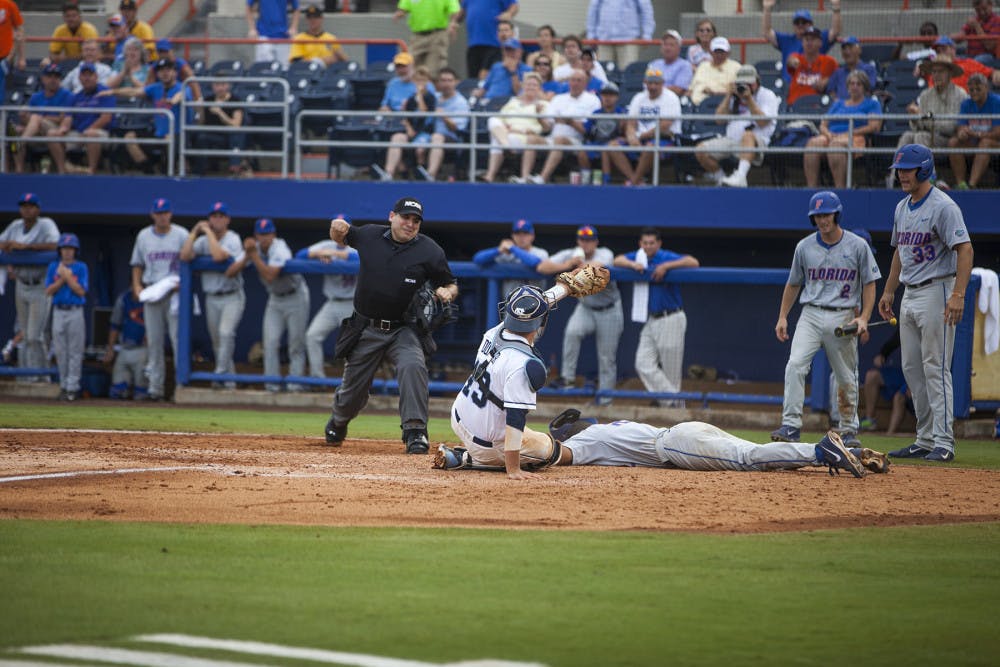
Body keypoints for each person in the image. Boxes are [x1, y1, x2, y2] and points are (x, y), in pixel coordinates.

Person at [323, 197, 458, 454]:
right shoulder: (369, 236)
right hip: (366, 327)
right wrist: (337, 226)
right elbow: (340, 235)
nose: (410, 224)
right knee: (352, 393)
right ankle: (339, 421)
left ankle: (416, 432)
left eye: (416, 220)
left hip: (403, 328)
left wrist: (447, 292)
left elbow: (450, 282)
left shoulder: (430, 251)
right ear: (391, 216)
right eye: (405, 217)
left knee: (413, 365)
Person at [436, 408, 888, 479]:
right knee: (747, 450)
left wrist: (468, 460)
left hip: (675, 445)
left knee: (748, 459)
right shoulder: (604, 430)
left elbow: (544, 456)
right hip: (687, 430)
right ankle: (854, 453)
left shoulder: (590, 442)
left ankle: (818, 451)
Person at [879, 145, 974, 462]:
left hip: (938, 289)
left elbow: (965, 249)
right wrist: (889, 291)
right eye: (900, 169)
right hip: (910, 290)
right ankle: (925, 437)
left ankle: (944, 441)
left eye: (908, 169)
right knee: (911, 368)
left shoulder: (943, 206)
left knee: (936, 367)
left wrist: (958, 294)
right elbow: (898, 252)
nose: (902, 174)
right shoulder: (902, 207)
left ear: (924, 170)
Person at [771, 191, 881, 446]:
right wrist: (782, 317)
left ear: (836, 214)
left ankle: (849, 429)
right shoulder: (805, 246)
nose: (823, 220)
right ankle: (791, 425)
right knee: (795, 364)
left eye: (827, 214)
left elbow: (870, 283)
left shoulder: (857, 245)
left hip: (842, 314)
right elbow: (793, 284)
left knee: (845, 375)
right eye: (818, 215)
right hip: (810, 312)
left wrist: (864, 317)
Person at [614, 227, 699, 407]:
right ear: (640, 243)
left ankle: (671, 406)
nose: (648, 246)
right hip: (651, 319)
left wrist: (666, 266)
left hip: (671, 317)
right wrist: (632, 265)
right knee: (642, 363)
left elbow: (693, 262)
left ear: (658, 244)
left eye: (652, 243)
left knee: (671, 371)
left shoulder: (665, 256)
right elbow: (617, 259)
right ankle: (673, 401)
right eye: (645, 243)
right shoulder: (639, 256)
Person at [538, 225, 622, 404]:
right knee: (572, 333)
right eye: (583, 239)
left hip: (609, 309)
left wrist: (579, 265)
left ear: (596, 242)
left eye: (590, 240)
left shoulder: (604, 252)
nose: (586, 243)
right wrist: (567, 264)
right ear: (578, 241)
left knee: (606, 357)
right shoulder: (571, 254)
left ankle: (605, 400)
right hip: (586, 307)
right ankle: (567, 379)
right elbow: (542, 267)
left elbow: (598, 266)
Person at [179, 202, 249, 389]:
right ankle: (230, 382)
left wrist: (208, 232)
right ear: (209, 218)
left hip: (232, 295)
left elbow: (218, 256)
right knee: (218, 342)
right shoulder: (202, 242)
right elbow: (184, 256)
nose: (217, 219)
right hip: (211, 297)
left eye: (220, 216)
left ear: (227, 220)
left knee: (226, 334)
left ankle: (218, 376)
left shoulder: (232, 238)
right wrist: (194, 232)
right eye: (214, 216)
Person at [130, 197, 188, 401]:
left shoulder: (181, 234)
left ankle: (181, 386)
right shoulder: (144, 236)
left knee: (177, 341)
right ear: (153, 214)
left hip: (174, 294)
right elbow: (136, 263)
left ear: (170, 214)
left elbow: (189, 260)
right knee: (154, 342)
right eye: (158, 212)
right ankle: (155, 389)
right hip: (153, 291)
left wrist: (185, 282)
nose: (162, 216)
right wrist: (137, 285)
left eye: (165, 212)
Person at [243, 218, 309, 393]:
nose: (264, 238)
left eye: (268, 234)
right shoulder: (255, 248)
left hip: (295, 295)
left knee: (296, 343)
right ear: (256, 235)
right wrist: (246, 253)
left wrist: (253, 255)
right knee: (270, 342)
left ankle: (295, 385)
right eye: (261, 234)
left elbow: (270, 275)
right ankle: (271, 385)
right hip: (275, 298)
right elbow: (234, 268)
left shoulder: (280, 247)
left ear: (273, 235)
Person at [0, 193, 60, 379]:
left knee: (34, 335)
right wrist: (9, 244)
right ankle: (28, 376)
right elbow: (2, 242)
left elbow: (55, 245)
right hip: (21, 283)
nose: (27, 209)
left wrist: (26, 248)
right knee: (26, 335)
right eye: (24, 205)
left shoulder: (46, 224)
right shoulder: (15, 226)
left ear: (38, 209)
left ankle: (40, 375)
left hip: (40, 285)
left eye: (31, 205)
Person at [695, 63, 780, 188]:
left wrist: (749, 99)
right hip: (732, 140)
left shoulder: (767, 95)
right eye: (742, 83)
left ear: (757, 82)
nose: (746, 86)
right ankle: (722, 180)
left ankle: (740, 177)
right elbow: (719, 119)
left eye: (749, 83)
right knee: (700, 150)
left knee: (748, 135)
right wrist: (728, 95)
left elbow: (763, 122)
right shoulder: (735, 96)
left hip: (757, 142)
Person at [298, 216, 357, 380]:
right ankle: (318, 379)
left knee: (351, 346)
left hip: (351, 304)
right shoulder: (326, 244)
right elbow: (300, 255)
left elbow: (359, 259)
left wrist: (335, 254)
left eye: (342, 228)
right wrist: (320, 253)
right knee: (312, 336)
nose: (338, 232)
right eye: (335, 228)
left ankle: (350, 383)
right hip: (331, 303)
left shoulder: (356, 246)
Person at [803, 70, 882, 189]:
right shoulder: (838, 103)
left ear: (864, 87)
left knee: (836, 145)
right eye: (852, 83)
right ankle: (811, 189)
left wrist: (848, 133)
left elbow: (874, 126)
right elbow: (823, 124)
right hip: (831, 135)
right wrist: (828, 134)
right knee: (813, 143)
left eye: (858, 84)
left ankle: (840, 189)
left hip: (855, 136)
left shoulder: (872, 104)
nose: (854, 87)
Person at [113, 57, 193, 172]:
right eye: (161, 71)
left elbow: (181, 95)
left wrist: (173, 100)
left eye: (168, 70)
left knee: (171, 142)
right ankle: (149, 171)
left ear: (175, 72)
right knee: (129, 137)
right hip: (158, 134)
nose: (164, 73)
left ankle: (167, 173)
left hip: (179, 135)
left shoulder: (183, 87)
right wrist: (111, 92)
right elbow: (134, 91)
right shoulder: (155, 87)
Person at [530, 68, 599, 184]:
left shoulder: (592, 100)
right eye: (572, 80)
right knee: (531, 139)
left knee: (560, 140)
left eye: (579, 80)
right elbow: (547, 127)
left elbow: (588, 131)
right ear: (568, 82)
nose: (575, 83)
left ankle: (542, 178)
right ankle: (524, 176)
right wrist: (539, 117)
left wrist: (570, 122)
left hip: (577, 141)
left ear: (585, 83)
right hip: (553, 137)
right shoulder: (558, 99)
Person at [480, 72, 551, 183]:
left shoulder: (544, 104)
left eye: (534, 85)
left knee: (496, 140)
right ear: (523, 86)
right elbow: (500, 119)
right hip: (506, 133)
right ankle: (506, 147)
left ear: (539, 88)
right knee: (492, 120)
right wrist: (507, 129)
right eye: (528, 84)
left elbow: (546, 128)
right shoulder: (513, 101)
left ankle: (490, 175)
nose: (530, 87)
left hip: (524, 137)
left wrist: (539, 116)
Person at [616, 67, 682, 185]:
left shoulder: (671, 98)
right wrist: (631, 136)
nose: (653, 87)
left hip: (664, 138)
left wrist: (640, 136)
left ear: (662, 83)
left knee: (650, 146)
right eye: (650, 83)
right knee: (612, 146)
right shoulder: (639, 97)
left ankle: (633, 182)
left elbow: (665, 125)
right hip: (640, 137)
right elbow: (631, 122)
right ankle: (636, 180)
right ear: (645, 83)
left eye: (656, 83)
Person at [45, 233, 88, 401]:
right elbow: (48, 291)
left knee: (75, 351)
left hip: (75, 310)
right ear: (60, 250)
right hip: (58, 310)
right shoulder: (53, 266)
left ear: (75, 250)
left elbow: (81, 291)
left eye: (71, 248)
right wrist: (62, 278)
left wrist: (67, 276)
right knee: (61, 351)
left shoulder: (81, 267)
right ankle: (63, 386)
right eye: (64, 248)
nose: (67, 252)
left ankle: (73, 387)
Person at [895, 56, 968, 156]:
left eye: (941, 71)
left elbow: (951, 127)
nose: (936, 75)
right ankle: (896, 171)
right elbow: (916, 128)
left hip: (949, 139)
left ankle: (925, 172)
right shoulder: (925, 95)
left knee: (921, 137)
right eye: (934, 72)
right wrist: (914, 118)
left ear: (950, 74)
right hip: (928, 136)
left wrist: (923, 117)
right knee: (907, 136)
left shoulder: (960, 94)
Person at [14, 63, 74, 175]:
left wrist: (41, 117)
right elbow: (29, 121)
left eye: (56, 77)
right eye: (49, 76)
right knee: (15, 131)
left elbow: (64, 118)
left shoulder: (67, 95)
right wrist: (24, 116)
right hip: (36, 132)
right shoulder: (35, 97)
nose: (53, 80)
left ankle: (61, 171)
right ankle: (19, 170)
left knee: (36, 118)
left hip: (56, 129)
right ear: (43, 78)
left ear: (60, 79)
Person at [381, 65, 437, 180]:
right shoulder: (411, 99)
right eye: (417, 80)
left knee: (420, 150)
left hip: (425, 132)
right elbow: (406, 116)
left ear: (428, 81)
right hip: (412, 131)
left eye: (423, 80)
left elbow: (424, 111)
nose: (420, 83)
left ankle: (423, 175)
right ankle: (389, 173)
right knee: (396, 138)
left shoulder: (430, 97)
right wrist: (409, 128)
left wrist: (420, 95)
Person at [761, 0, 841, 81]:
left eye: (804, 22)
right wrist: (767, 8)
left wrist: (836, 7)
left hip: (812, 86)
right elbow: (767, 32)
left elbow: (835, 31)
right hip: (788, 86)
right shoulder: (786, 40)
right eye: (797, 22)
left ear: (811, 24)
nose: (800, 25)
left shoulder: (818, 38)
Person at [947, 73, 1000, 190]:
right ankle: (961, 184)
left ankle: (972, 184)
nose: (974, 92)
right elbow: (961, 126)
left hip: (994, 143)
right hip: (974, 141)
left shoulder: (996, 102)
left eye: (978, 89)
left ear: (986, 88)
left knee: (985, 142)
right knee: (953, 143)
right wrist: (962, 133)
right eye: (971, 90)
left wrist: (976, 134)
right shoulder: (966, 103)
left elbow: (998, 133)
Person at [63, 63, 115, 175]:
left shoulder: (104, 92)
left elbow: (106, 118)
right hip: (78, 132)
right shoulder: (75, 96)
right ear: (79, 78)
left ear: (96, 76)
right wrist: (62, 129)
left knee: (92, 134)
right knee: (54, 136)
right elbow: (68, 117)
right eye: (84, 75)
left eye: (90, 75)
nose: (87, 78)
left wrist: (87, 132)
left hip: (101, 133)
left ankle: (92, 171)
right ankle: (61, 169)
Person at [473, 219, 549, 296]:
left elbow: (535, 262)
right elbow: (478, 259)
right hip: (510, 303)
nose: (521, 237)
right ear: (512, 235)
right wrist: (498, 250)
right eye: (517, 233)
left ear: (532, 236)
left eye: (525, 233)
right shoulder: (505, 253)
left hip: (536, 302)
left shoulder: (540, 253)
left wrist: (513, 248)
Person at [191, 79, 249, 177]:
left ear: (228, 86)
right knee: (200, 137)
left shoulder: (235, 100)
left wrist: (220, 113)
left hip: (229, 138)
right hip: (212, 136)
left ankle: (234, 168)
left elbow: (236, 125)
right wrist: (200, 110)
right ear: (213, 86)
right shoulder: (208, 100)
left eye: (223, 84)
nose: (220, 88)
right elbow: (201, 123)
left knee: (235, 134)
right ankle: (198, 172)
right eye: (217, 85)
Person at [859, 330, 910, 435]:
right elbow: (898, 335)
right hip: (902, 371)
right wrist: (884, 353)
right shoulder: (906, 318)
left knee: (899, 397)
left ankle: (889, 435)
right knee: (872, 376)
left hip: (920, 374)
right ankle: (870, 420)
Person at [424, 67, 469, 180]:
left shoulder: (461, 102)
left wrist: (444, 117)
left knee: (437, 137)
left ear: (456, 82)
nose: (446, 84)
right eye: (443, 80)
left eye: (449, 80)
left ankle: (430, 174)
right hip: (430, 135)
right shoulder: (435, 98)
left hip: (452, 139)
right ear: (438, 83)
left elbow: (457, 129)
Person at [393, 0, 459, 76]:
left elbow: (454, 11)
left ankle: (431, 86)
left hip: (437, 35)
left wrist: (453, 23)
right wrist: (400, 13)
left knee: (434, 69)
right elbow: (403, 8)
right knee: (410, 66)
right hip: (417, 36)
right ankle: (415, 87)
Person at [455, 0, 518, 80]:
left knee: (488, 77)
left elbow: (514, 5)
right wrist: (454, 23)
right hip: (473, 44)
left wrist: (509, 13)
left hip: (493, 44)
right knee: (472, 79)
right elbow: (462, 11)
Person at [104, 288, 148, 400]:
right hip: (124, 349)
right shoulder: (124, 299)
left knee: (141, 395)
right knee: (117, 392)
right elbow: (115, 325)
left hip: (143, 350)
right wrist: (110, 349)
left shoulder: (150, 297)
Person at [580, 80, 627, 181]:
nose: (607, 98)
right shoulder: (596, 113)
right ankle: (585, 179)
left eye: (611, 95)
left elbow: (627, 132)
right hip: (598, 142)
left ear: (617, 97)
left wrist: (623, 126)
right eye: (604, 94)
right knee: (582, 150)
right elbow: (586, 130)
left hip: (614, 143)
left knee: (606, 149)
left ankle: (606, 180)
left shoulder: (622, 112)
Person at [585, 0, 655, 68]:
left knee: (627, 73)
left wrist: (647, 35)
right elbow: (593, 10)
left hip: (628, 41)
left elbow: (646, 10)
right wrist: (591, 35)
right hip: (605, 40)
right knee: (604, 72)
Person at [918, 36, 1000, 91]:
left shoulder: (968, 64)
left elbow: (991, 73)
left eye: (944, 49)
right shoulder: (935, 69)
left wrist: (995, 74)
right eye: (938, 51)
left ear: (953, 49)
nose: (941, 53)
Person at [785, 26, 838, 105]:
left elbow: (840, 78)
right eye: (806, 39)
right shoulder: (797, 57)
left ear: (820, 43)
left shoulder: (829, 62)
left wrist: (828, 81)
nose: (809, 42)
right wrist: (792, 61)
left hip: (817, 108)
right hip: (794, 106)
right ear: (802, 43)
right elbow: (790, 61)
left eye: (812, 39)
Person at [689, 36, 741, 105]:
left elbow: (738, 92)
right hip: (697, 106)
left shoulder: (736, 67)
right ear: (710, 52)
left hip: (723, 106)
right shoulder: (702, 66)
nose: (719, 55)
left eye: (722, 52)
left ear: (728, 52)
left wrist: (714, 93)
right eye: (716, 51)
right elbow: (691, 88)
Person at [647, 29, 693, 98]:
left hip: (672, 102)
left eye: (671, 45)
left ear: (679, 49)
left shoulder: (685, 65)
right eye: (665, 44)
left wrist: (655, 90)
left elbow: (678, 90)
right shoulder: (654, 64)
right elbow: (646, 86)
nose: (668, 48)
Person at [0, 0, 25, 96]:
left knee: (6, 89)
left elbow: (20, 30)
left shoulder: (8, 5)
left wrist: (21, 57)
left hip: (7, 57)